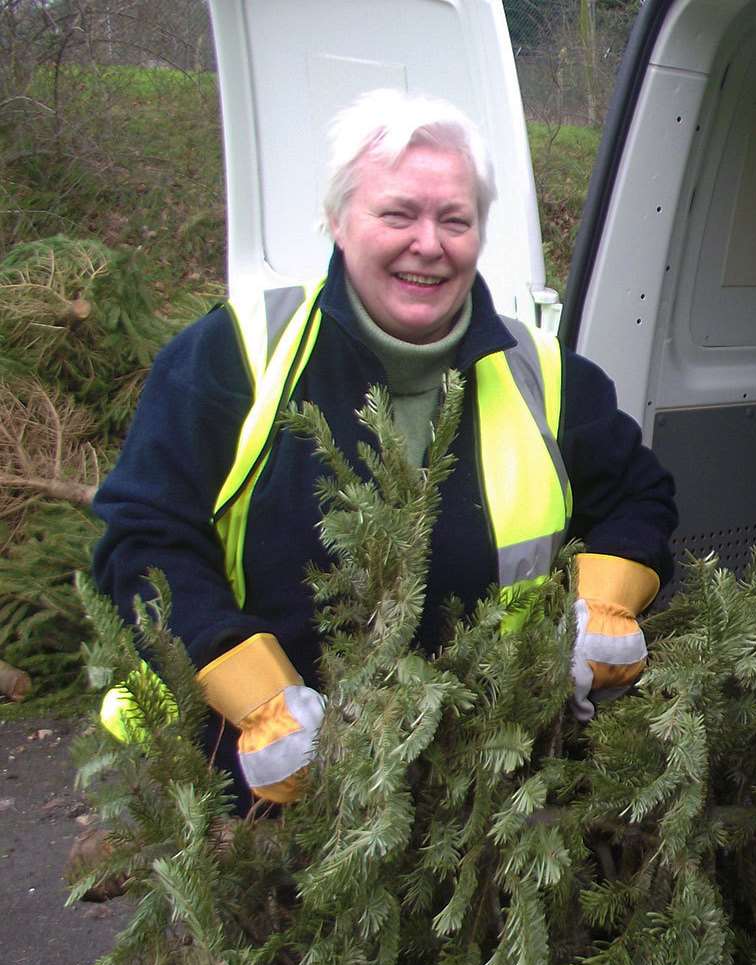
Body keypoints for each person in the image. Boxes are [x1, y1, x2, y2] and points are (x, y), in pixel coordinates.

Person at [91, 89, 678, 811]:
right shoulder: (232, 356)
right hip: (271, 790)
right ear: (337, 222)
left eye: (454, 220)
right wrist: (251, 696)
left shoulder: (544, 375)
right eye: (397, 214)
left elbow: (639, 496)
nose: (428, 244)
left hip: (493, 794)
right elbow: (143, 540)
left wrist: (607, 603)